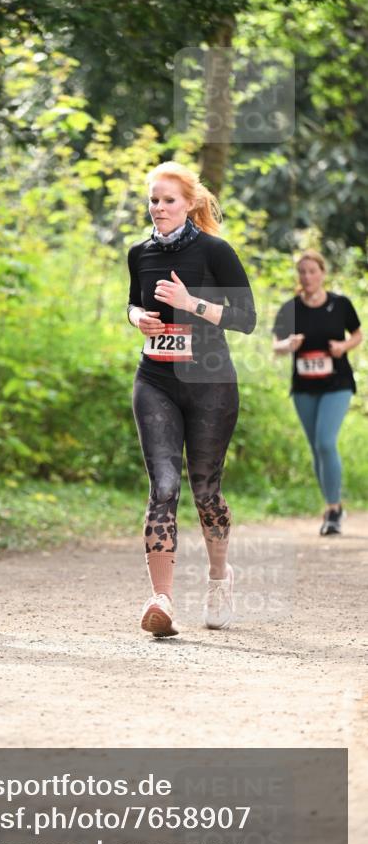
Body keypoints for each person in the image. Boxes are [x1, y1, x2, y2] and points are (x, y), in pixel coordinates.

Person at [127, 161, 256, 637]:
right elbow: (133, 301)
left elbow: (247, 319)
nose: (158, 208)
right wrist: (137, 318)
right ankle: (161, 599)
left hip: (210, 382)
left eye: (168, 200)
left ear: (189, 204)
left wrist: (191, 304)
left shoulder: (215, 251)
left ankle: (219, 578)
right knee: (163, 487)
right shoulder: (139, 253)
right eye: (153, 200)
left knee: (206, 492)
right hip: (155, 379)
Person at [273, 249, 362, 535]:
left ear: (323, 273)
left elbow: (358, 334)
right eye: (302, 272)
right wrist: (288, 344)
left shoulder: (340, 304)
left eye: (312, 271)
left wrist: (343, 347)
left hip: (337, 384)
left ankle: (333, 510)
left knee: (325, 442)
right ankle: (332, 505)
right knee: (315, 448)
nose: (307, 276)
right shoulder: (290, 308)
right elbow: (276, 345)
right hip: (304, 387)